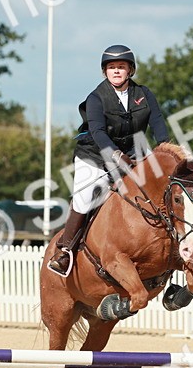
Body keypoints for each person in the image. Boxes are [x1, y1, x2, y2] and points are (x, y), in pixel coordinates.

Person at [46, 43, 172, 277]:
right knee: (85, 196)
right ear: (105, 71)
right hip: (95, 156)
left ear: (130, 71)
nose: (116, 71)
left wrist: (165, 148)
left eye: (121, 67)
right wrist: (116, 156)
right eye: (111, 67)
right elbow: (98, 132)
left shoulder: (143, 94)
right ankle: (64, 251)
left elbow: (157, 121)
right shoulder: (96, 98)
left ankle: (170, 252)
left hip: (133, 157)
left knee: (159, 193)